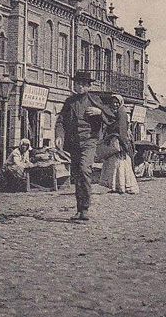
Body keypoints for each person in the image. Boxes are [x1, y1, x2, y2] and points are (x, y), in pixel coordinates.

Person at [55, 71, 114, 221]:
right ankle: (79, 209)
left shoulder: (95, 100)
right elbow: (61, 121)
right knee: (77, 175)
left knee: (84, 170)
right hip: (74, 143)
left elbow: (111, 116)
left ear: (88, 86)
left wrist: (99, 112)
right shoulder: (69, 102)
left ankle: (85, 208)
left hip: (89, 141)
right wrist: (59, 136)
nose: (80, 86)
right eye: (77, 83)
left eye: (83, 84)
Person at [101, 95, 139, 194]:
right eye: (113, 102)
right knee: (114, 165)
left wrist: (123, 143)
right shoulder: (115, 113)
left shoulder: (122, 113)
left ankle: (123, 187)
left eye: (117, 102)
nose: (115, 104)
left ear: (121, 103)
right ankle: (116, 187)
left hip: (120, 142)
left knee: (121, 165)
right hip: (114, 140)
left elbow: (122, 129)